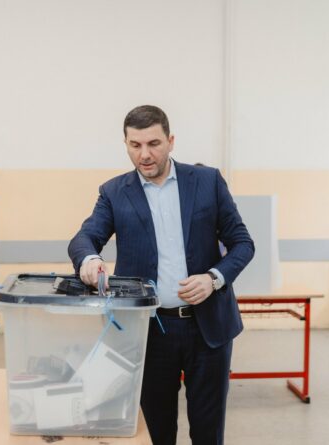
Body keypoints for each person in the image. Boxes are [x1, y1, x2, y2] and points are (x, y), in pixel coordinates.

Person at [68, 105, 254, 445]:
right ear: (125, 144)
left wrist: (213, 278)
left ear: (171, 141)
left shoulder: (208, 182)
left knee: (208, 432)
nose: (145, 154)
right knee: (156, 432)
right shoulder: (114, 193)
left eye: (153, 143)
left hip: (208, 329)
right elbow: (84, 238)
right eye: (135, 145)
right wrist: (90, 261)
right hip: (149, 332)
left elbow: (242, 243)